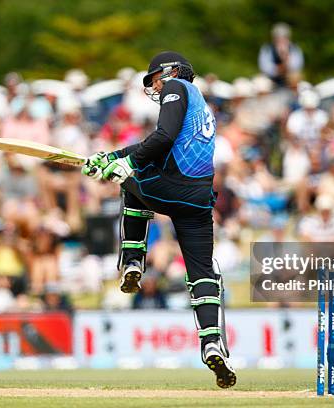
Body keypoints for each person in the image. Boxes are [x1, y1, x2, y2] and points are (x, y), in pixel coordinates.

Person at [81, 51, 236, 389]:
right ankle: (212, 342)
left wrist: (124, 167)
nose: (154, 86)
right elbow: (158, 144)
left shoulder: (176, 87)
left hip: (173, 186)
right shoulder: (196, 105)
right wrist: (111, 157)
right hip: (198, 199)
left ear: (170, 72)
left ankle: (133, 260)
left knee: (131, 183)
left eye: (154, 79)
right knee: (202, 271)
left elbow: (162, 138)